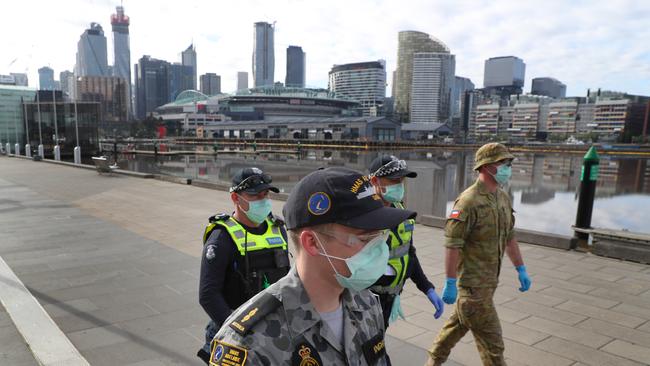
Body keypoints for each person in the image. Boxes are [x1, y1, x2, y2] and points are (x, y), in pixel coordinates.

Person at [209, 167, 416, 365]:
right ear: (312, 242)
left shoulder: (367, 304)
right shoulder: (249, 343)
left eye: (380, 235)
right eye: (365, 239)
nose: (380, 248)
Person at [425, 143, 532, 366]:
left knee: (454, 329)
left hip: (488, 284)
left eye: (508, 163)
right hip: (473, 290)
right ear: (486, 166)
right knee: (494, 347)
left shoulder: (502, 198)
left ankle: (432, 362)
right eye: (503, 163)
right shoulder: (468, 202)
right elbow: (452, 245)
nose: (507, 167)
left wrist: (521, 269)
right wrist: (450, 282)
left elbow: (510, 237)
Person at [197, 167, 291, 364]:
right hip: (234, 331)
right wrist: (241, 331)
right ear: (235, 198)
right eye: (254, 195)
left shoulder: (277, 229)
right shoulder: (221, 237)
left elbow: (286, 278)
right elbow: (208, 295)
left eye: (265, 194)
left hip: (273, 327)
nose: (263, 200)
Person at [367, 155, 444, 329]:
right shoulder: (363, 217)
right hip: (364, 301)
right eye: (394, 180)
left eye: (402, 181)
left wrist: (427, 287)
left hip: (390, 298)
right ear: (374, 181)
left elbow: (407, 251)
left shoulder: (399, 209)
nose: (399, 186)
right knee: (369, 352)